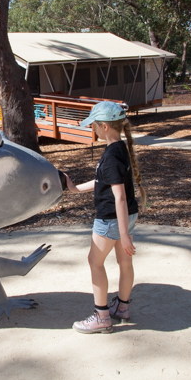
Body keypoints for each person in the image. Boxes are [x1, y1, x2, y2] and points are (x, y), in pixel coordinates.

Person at [64, 101, 147, 334]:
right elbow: (106, 183)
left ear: (104, 127)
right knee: (125, 262)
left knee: (95, 262)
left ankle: (101, 317)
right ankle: (122, 308)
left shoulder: (111, 155)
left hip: (111, 219)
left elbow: (118, 196)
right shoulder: (120, 149)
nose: (93, 130)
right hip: (126, 216)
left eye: (95, 126)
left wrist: (123, 235)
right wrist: (76, 189)